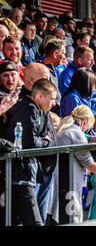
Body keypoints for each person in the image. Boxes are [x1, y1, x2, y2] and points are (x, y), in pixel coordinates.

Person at [48, 105, 96, 224]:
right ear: (85, 121)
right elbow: (89, 163)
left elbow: (86, 137)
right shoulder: (75, 132)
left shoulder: (65, 128)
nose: (87, 129)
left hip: (59, 182)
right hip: (68, 184)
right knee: (71, 220)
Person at [5, 79, 57, 226]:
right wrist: (45, 142)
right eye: (52, 99)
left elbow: (46, 136)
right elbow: (29, 141)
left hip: (30, 173)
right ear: (39, 97)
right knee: (35, 222)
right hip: (20, 174)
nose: (54, 103)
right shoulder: (28, 109)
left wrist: (44, 141)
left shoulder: (43, 112)